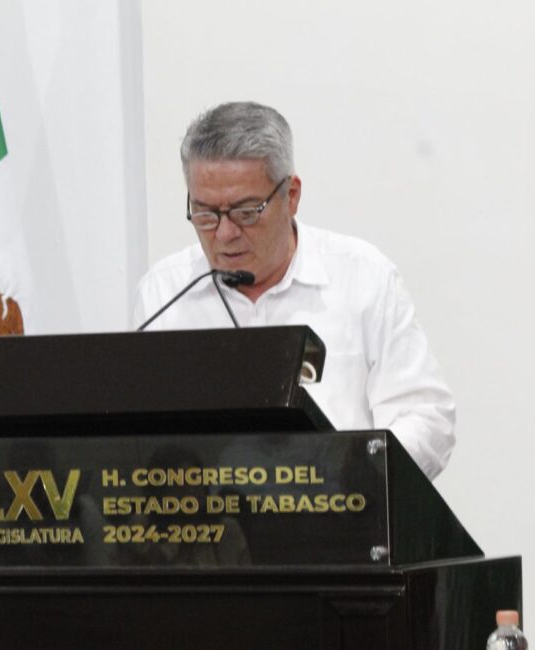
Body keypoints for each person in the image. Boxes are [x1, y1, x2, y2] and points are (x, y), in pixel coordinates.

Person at [132, 102, 456, 480]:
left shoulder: (362, 277)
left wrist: (358, 472)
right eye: (205, 214)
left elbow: (426, 417)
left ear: (291, 195)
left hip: (341, 506)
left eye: (246, 212)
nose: (224, 233)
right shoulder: (165, 293)